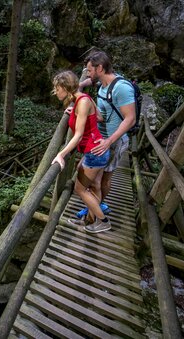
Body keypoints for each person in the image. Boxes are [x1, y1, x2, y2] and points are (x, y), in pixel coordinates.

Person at [74, 50, 136, 232]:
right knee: (94, 181)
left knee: (103, 180)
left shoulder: (121, 88)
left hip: (114, 141)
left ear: (100, 68)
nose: (88, 73)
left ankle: (96, 217)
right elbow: (89, 81)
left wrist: (109, 141)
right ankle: (91, 213)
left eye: (89, 70)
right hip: (101, 140)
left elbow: (130, 118)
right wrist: (78, 86)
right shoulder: (103, 83)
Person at [51, 70, 112, 233]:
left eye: (57, 88)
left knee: (80, 189)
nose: (55, 91)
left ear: (65, 87)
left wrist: (61, 154)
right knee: (92, 185)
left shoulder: (83, 101)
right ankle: (89, 220)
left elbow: (78, 135)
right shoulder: (82, 100)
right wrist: (76, 115)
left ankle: (103, 221)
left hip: (94, 154)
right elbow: (98, 117)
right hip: (95, 152)